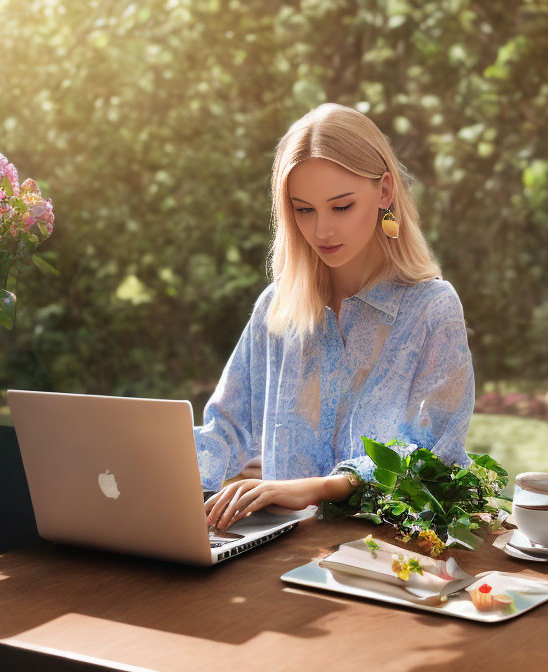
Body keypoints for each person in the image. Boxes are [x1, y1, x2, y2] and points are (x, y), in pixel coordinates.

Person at [197, 103, 475, 530]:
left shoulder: (432, 309)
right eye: (303, 209)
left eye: (341, 207)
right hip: (276, 559)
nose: (322, 231)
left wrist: (318, 488)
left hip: (385, 561)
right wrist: (146, 470)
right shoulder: (278, 309)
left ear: (384, 192)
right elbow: (226, 430)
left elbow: (432, 455)